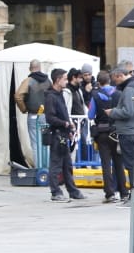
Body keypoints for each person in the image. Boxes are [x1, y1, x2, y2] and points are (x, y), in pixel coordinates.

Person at [43, 68, 85, 202]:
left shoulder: (60, 94)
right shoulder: (50, 96)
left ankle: (72, 190)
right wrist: (65, 124)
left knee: (67, 164)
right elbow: (50, 118)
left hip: (63, 133)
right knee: (55, 165)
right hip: (56, 134)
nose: (67, 81)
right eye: (65, 79)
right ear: (57, 80)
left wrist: (70, 130)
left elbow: (65, 113)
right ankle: (55, 192)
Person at [108, 62, 134, 202]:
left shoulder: (129, 89)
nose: (114, 83)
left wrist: (112, 112)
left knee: (131, 165)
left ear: (120, 75)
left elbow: (128, 111)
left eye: (115, 79)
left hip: (128, 132)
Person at [89, 72, 124, 204]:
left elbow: (90, 116)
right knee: (119, 164)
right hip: (116, 132)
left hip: (102, 133)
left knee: (105, 164)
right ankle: (124, 193)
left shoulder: (95, 96)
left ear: (98, 82)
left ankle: (110, 194)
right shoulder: (119, 94)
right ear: (110, 80)